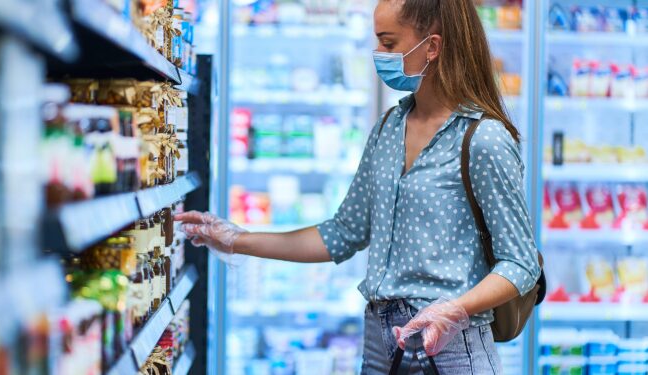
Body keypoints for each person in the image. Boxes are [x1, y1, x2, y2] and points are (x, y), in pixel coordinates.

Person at [176, 0, 541, 373]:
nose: (378, 54)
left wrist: (453, 310)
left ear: (431, 47)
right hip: (382, 343)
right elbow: (341, 234)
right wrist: (238, 239)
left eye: (388, 43)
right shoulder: (388, 128)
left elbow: (521, 263)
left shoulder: (483, 139)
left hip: (450, 348)